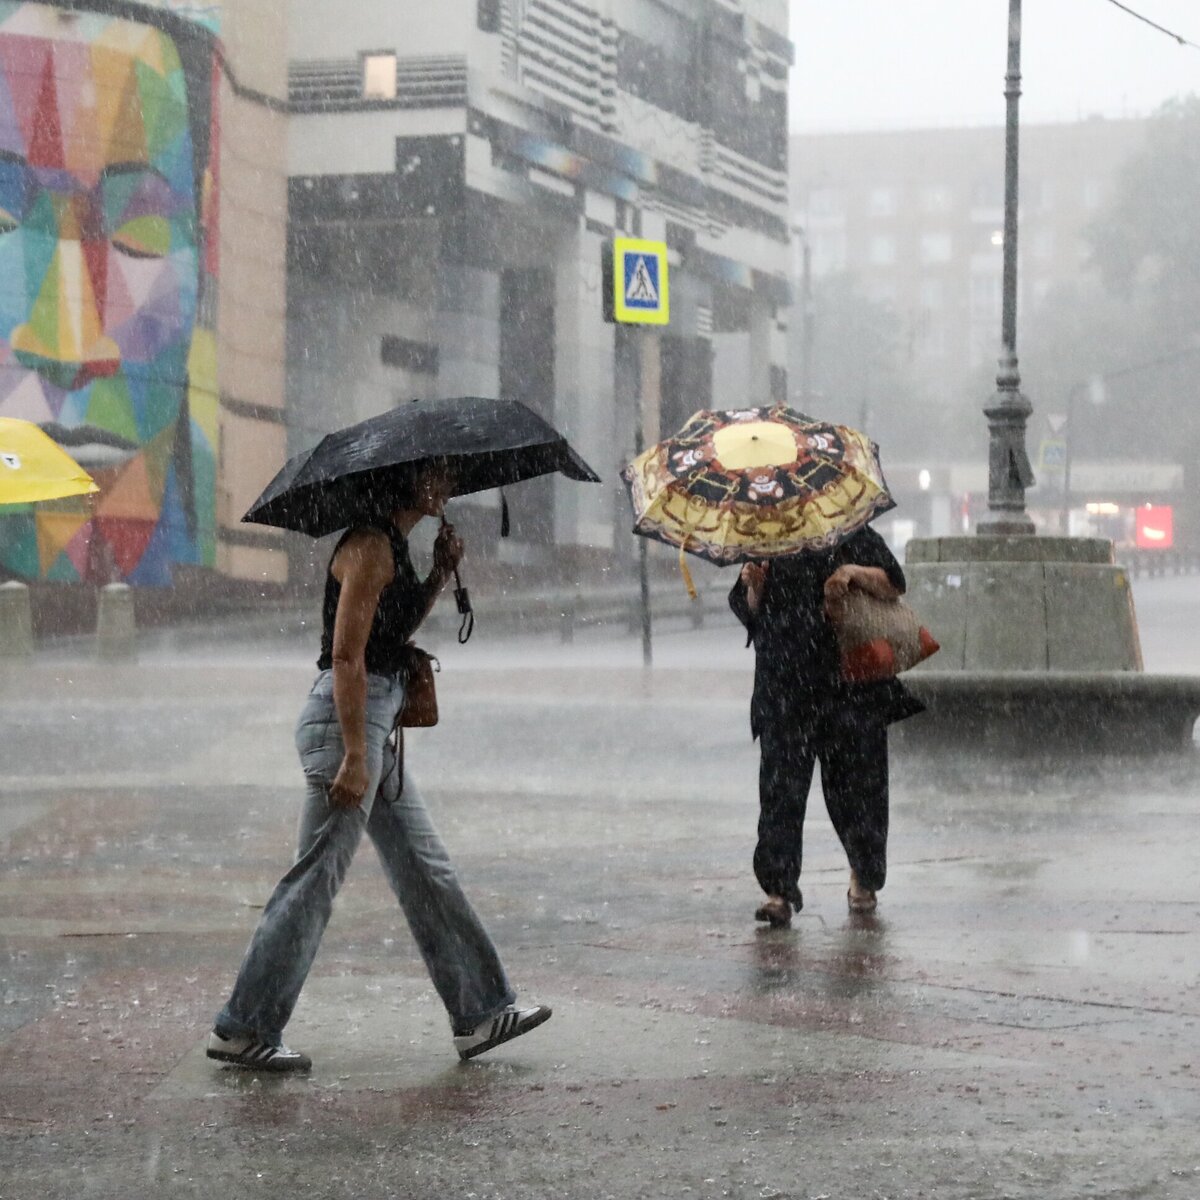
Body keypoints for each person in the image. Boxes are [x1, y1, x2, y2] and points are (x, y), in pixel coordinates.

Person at [208, 465, 550, 1071]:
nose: (446, 485)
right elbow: (346, 654)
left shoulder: (394, 546)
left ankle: (480, 1013)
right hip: (347, 729)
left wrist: (442, 574)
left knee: (425, 869)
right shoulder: (368, 547)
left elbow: (389, 635)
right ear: (406, 481)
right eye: (435, 475)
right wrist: (358, 755)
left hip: (369, 728)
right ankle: (245, 1028)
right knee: (315, 881)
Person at [729, 524, 924, 926]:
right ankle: (778, 891)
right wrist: (755, 586)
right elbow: (749, 612)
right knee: (781, 791)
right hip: (785, 687)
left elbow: (894, 583)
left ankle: (864, 877)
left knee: (859, 788)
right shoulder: (766, 539)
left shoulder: (851, 531)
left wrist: (854, 573)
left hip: (848, 686)